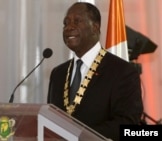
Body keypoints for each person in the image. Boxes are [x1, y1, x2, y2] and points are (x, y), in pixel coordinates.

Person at [47, 2, 143, 141]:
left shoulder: (122, 71)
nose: (69, 27)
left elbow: (127, 123)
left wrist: (79, 136)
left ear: (95, 27)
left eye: (77, 21)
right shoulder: (58, 74)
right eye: (66, 23)